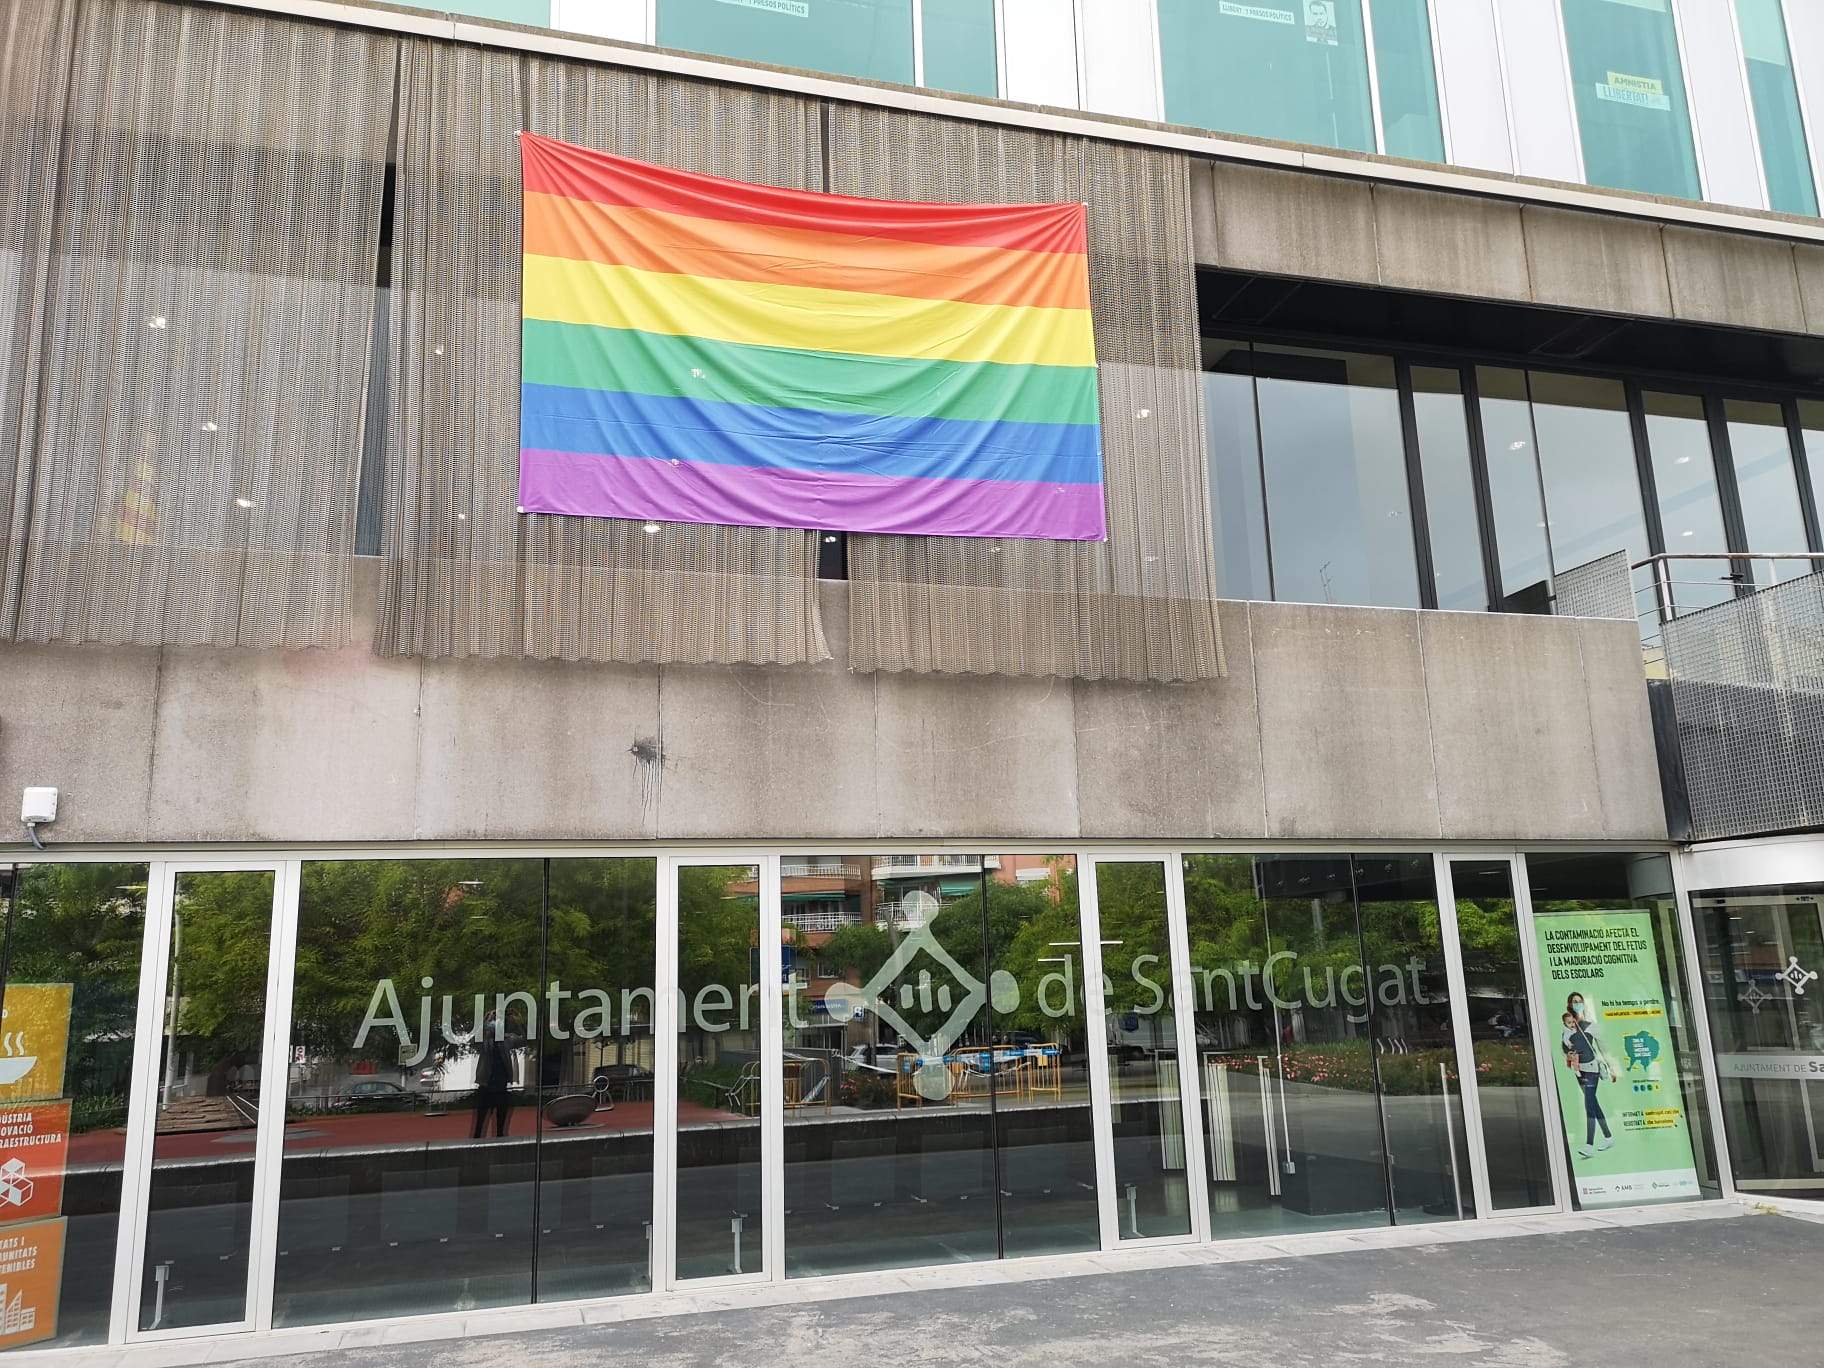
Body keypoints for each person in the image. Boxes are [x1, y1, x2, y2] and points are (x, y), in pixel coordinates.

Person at [1561, 1008, 1614, 1159]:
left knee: (1589, 1106)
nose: (1572, 1023)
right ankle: (1609, 1137)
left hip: (1591, 1069)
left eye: (1573, 1020)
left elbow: (1602, 1046)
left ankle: (1589, 1145)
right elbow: (1565, 1050)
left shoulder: (1588, 1026)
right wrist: (1568, 1054)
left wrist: (1611, 1067)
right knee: (1593, 1104)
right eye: (1569, 1022)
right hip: (1579, 1071)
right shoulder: (1566, 1033)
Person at [470, 1011, 516, 1139]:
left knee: (501, 1126)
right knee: (479, 1125)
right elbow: (473, 1040)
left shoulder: (506, 1040)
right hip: (486, 1086)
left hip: (501, 1086)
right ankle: (476, 1144)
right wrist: (486, 1020)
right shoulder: (485, 1042)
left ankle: (499, 1142)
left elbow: (524, 1038)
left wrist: (515, 1021)